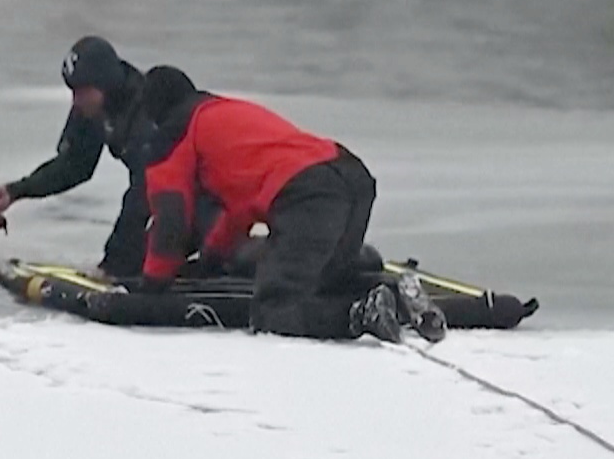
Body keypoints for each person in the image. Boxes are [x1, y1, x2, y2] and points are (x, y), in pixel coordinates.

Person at [132, 66, 407, 343]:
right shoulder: (221, 112)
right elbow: (237, 212)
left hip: (308, 191)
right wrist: (212, 259)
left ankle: (360, 316)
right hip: (350, 174)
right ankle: (402, 299)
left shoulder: (173, 134)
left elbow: (171, 220)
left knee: (273, 310)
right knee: (325, 281)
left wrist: (152, 284)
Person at [0, 36, 216, 280]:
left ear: (106, 85)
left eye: (81, 92)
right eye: (72, 91)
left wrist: (114, 265)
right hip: (175, 192)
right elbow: (74, 165)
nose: (75, 101)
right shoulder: (93, 107)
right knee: (142, 261)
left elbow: (143, 193)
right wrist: (14, 191)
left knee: (148, 261)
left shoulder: (144, 114)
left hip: (212, 187)